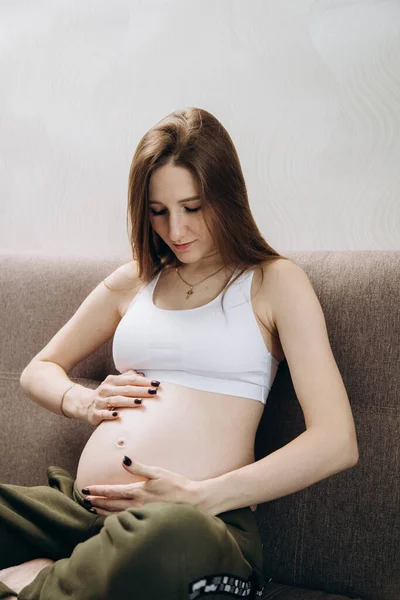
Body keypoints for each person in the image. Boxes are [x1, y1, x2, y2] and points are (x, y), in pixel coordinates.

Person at [0, 107, 358, 600]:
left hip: (196, 524)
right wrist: (82, 402)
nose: (176, 228)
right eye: (158, 210)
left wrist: (200, 496)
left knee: (167, 541)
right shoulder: (135, 280)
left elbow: (337, 440)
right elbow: (38, 370)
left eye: (192, 207)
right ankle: (70, 575)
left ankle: (33, 585)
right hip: (82, 512)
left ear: (226, 197)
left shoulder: (275, 282)